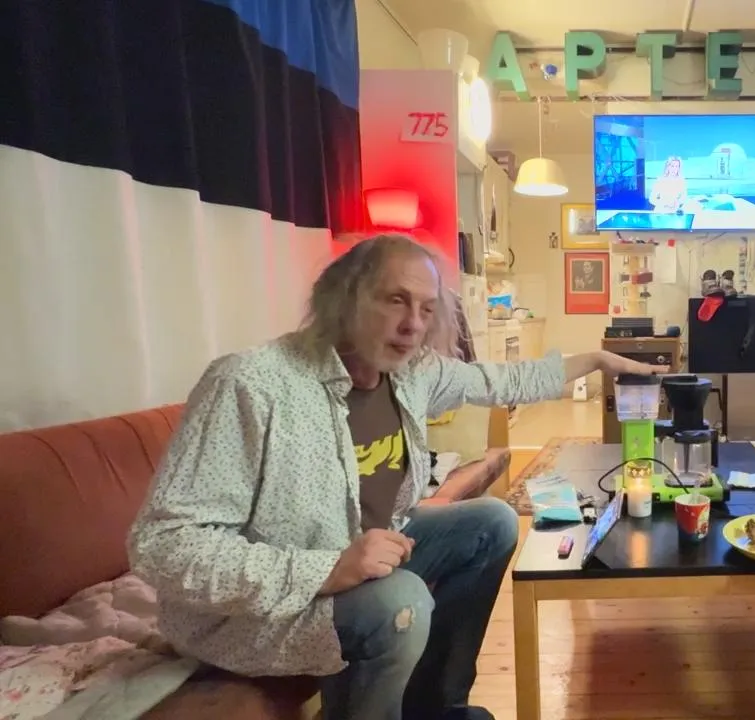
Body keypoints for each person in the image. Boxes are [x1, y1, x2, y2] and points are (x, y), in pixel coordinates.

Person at [127, 234, 665, 720]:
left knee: (493, 522)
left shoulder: (409, 373)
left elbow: (501, 379)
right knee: (401, 601)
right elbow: (162, 545)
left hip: (360, 559)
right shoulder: (251, 384)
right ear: (344, 297)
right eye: (395, 300)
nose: (413, 325)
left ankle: (435, 708)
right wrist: (324, 569)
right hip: (265, 607)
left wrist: (598, 360)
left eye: (426, 309)